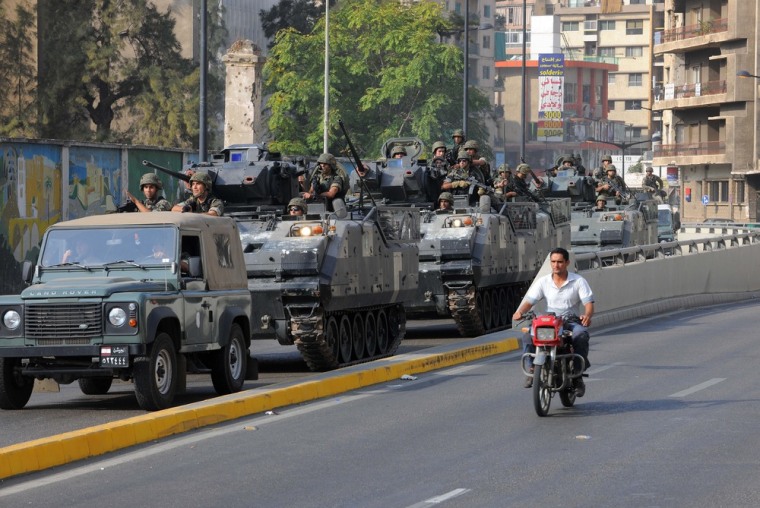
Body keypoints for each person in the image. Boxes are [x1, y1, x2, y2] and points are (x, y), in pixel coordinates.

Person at [512, 247, 594, 396]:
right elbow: (530, 301)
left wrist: (587, 315)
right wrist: (520, 312)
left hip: (570, 321)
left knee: (580, 335)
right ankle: (531, 370)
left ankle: (577, 375)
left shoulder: (578, 281)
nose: (556, 265)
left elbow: (589, 303)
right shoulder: (543, 282)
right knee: (527, 336)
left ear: (567, 262)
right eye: (553, 262)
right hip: (550, 322)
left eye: (560, 262)